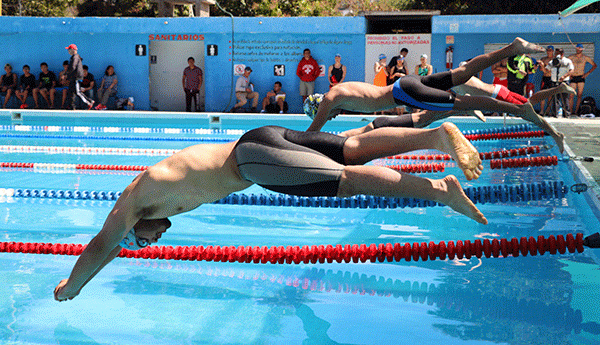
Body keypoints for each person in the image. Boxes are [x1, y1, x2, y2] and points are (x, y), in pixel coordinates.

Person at [54, 121, 487, 301]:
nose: (153, 241)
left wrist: (72, 285)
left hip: (253, 161)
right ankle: (434, 138)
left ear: (134, 228)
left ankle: (440, 190)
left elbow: (101, 246)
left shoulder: (133, 203)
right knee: (351, 148)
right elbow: (113, 247)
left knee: (345, 181)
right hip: (259, 139)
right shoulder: (156, 198)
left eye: (142, 242)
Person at [303, 38, 565, 151]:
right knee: (461, 74)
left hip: (403, 93)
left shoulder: (330, 99)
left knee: (460, 103)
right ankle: (512, 47)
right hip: (408, 83)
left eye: (328, 115)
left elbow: (312, 132)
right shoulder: (340, 91)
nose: (333, 116)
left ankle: (519, 109)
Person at [538, 48, 574, 117]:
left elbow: (572, 70)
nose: (556, 55)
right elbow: (546, 71)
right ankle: (555, 114)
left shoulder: (567, 61)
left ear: (562, 54)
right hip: (554, 82)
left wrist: (564, 76)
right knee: (555, 99)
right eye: (556, 53)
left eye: (558, 54)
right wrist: (542, 66)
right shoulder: (552, 62)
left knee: (564, 98)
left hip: (563, 82)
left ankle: (566, 114)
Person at [568, 43, 597, 115]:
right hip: (573, 76)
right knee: (571, 95)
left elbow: (594, 65)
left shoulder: (585, 57)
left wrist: (587, 74)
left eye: (579, 48)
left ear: (582, 49)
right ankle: (570, 111)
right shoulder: (571, 57)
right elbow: (564, 64)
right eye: (577, 48)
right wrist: (569, 74)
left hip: (581, 77)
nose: (578, 49)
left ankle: (576, 111)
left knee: (579, 95)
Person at [66, 44, 94, 110]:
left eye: (69, 50)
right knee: (71, 92)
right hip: (73, 77)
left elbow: (73, 67)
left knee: (77, 92)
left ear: (73, 50)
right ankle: (71, 106)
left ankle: (89, 102)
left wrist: (66, 74)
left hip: (76, 77)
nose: (68, 51)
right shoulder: (74, 57)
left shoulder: (75, 57)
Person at [537, 46, 555, 115]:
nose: (548, 52)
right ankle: (542, 110)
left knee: (550, 95)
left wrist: (543, 66)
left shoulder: (554, 59)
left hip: (552, 78)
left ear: (552, 51)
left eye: (550, 51)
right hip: (545, 78)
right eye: (547, 50)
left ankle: (548, 111)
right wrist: (542, 66)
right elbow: (541, 70)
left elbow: (549, 70)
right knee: (543, 95)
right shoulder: (543, 59)